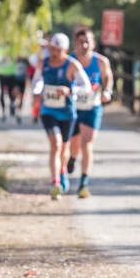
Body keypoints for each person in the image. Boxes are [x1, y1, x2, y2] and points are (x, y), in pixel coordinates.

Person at [31, 33, 90, 200]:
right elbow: (37, 81)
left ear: (65, 49)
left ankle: (62, 171)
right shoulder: (44, 63)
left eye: (57, 49)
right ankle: (55, 183)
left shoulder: (72, 65)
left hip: (67, 113)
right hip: (48, 111)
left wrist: (70, 91)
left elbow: (85, 86)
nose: (54, 53)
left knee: (64, 148)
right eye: (51, 49)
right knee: (55, 145)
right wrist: (37, 91)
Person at [67, 28, 113, 198]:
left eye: (88, 41)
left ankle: (83, 184)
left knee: (87, 144)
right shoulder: (69, 61)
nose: (84, 45)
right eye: (81, 42)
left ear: (93, 43)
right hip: (72, 108)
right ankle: (72, 158)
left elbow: (108, 78)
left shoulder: (101, 61)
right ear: (76, 44)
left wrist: (107, 91)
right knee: (73, 144)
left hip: (92, 107)